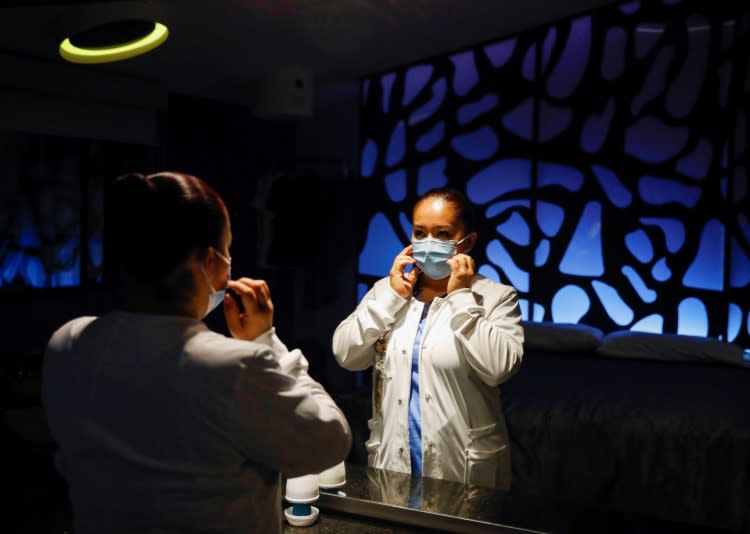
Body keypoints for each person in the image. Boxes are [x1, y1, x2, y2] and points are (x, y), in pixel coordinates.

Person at [41, 172, 351, 533]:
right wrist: (265, 340)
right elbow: (329, 442)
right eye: (228, 249)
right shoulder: (232, 367)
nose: (230, 261)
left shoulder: (68, 342)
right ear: (210, 262)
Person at [332, 187, 523, 489]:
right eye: (420, 233)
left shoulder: (496, 298)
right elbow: (346, 355)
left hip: (464, 468)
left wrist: (460, 296)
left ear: (468, 241)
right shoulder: (387, 291)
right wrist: (391, 299)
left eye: (443, 234)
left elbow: (498, 367)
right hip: (392, 463)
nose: (429, 243)